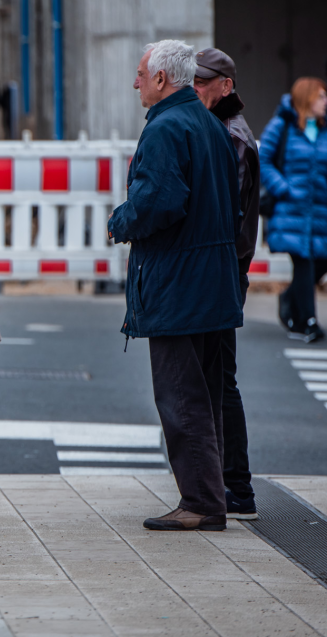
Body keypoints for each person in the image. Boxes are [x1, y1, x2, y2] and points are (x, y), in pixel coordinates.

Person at [109, 40, 243, 532]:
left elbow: (159, 203)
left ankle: (201, 503)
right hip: (210, 280)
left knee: (181, 396)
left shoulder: (166, 127)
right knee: (205, 394)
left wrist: (120, 220)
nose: (136, 82)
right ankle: (210, 496)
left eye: (141, 74)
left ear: (162, 79)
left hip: (178, 284)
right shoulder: (209, 124)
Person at [193, 47, 261, 521]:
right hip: (220, 270)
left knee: (219, 380)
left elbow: (224, 216)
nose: (195, 89)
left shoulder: (231, 137)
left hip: (221, 272)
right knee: (214, 378)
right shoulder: (218, 128)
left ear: (226, 86)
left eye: (203, 82)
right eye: (192, 81)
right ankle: (226, 484)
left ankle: (236, 487)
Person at [260, 77, 327, 342]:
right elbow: (263, 159)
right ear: (306, 98)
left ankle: (289, 298)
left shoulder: (323, 128)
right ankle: (308, 321)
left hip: (320, 211)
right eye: (321, 96)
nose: (325, 102)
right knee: (303, 259)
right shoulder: (283, 125)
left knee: (318, 260)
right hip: (292, 210)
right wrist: (284, 188)